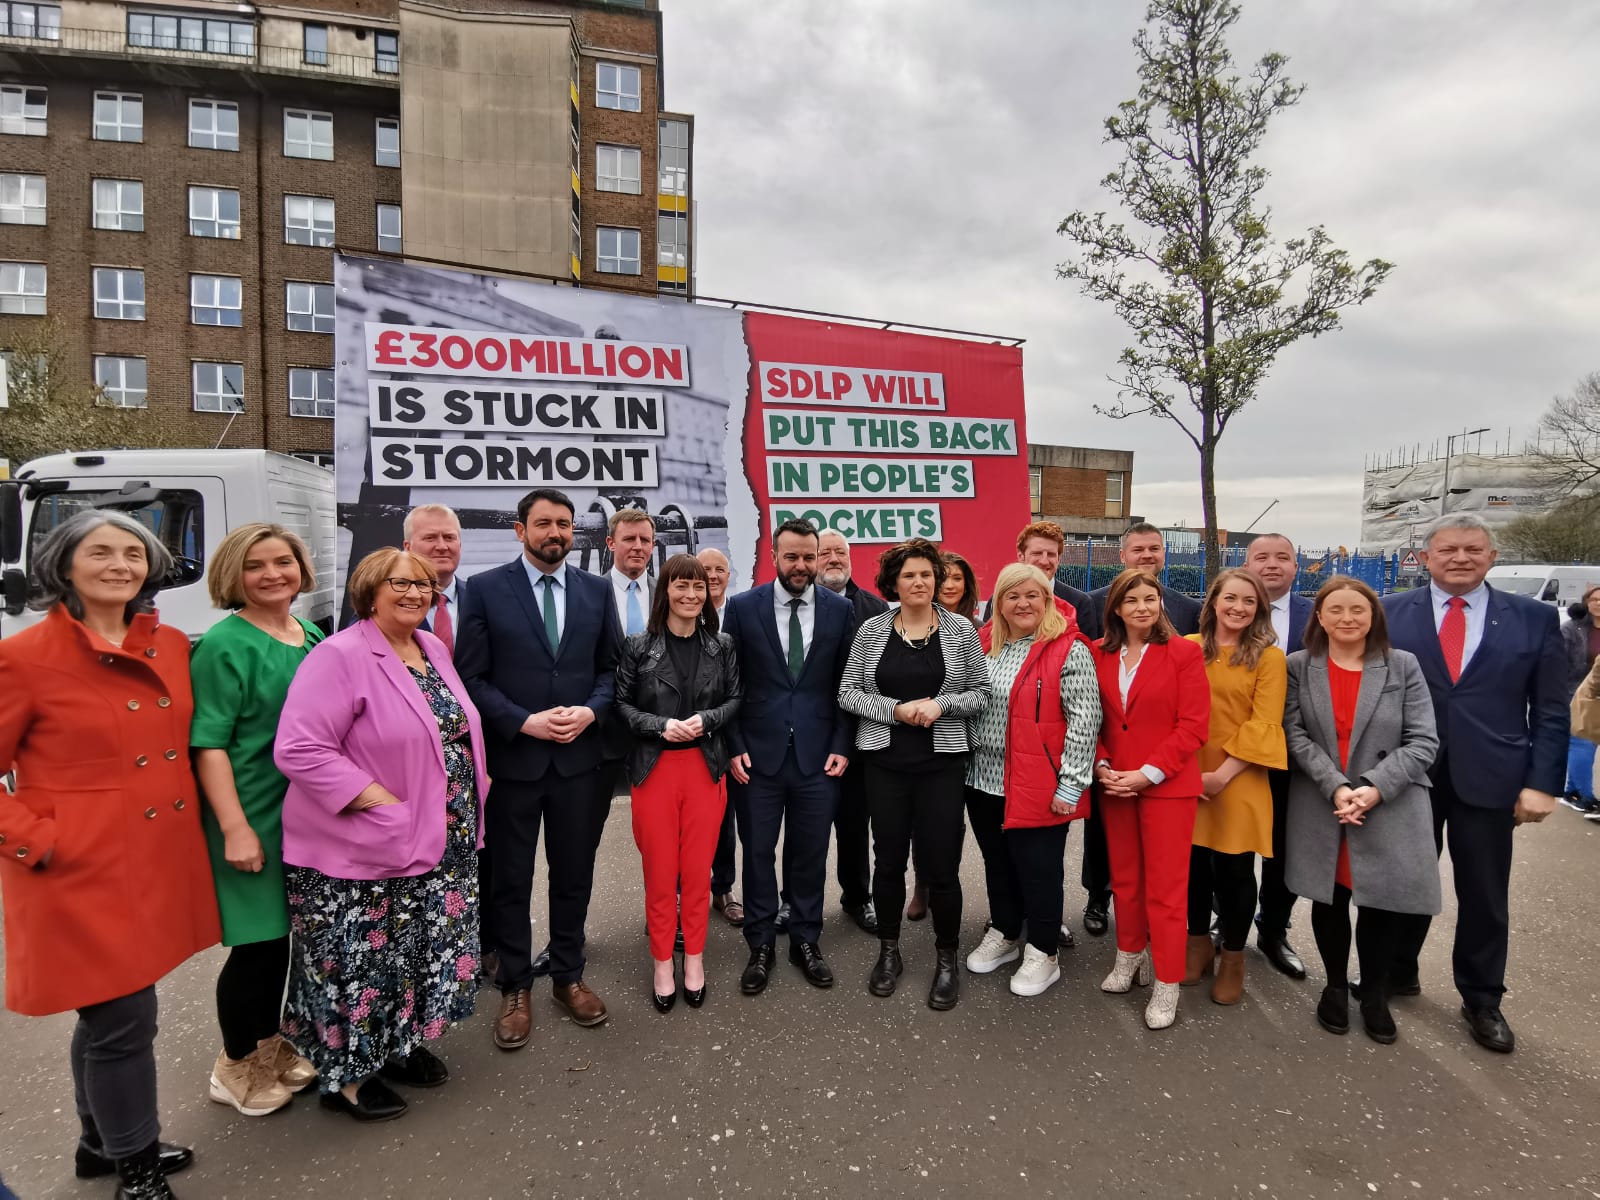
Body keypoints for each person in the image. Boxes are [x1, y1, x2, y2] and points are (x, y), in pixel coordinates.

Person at [0, 511, 220, 1199]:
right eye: (100, 552)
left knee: (106, 1011)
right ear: (63, 565)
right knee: (125, 1019)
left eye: (134, 552)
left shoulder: (174, 646)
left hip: (154, 858)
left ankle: (98, 1141)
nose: (120, 565)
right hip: (77, 870)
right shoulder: (25, 657)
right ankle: (138, 1167)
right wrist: (39, 839)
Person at [275, 548, 488, 1122]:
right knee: (358, 965)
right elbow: (299, 749)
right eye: (402, 583)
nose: (417, 593)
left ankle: (398, 1044)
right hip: (364, 845)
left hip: (443, 838)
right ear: (370, 590)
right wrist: (379, 801)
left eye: (425, 584)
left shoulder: (432, 648)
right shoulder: (339, 654)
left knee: (413, 952)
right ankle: (347, 1078)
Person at [1381, 514, 1566, 1054]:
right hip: (1410, 774)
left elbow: (1551, 710)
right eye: (1448, 550)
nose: (1460, 558)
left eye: (1472, 549)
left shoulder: (1533, 619)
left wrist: (1541, 783)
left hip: (1493, 777)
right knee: (1406, 880)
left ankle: (1483, 997)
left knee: (1485, 893)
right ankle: (1397, 971)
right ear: (1425, 558)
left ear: (1492, 556)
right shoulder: (1390, 614)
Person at [456, 488, 622, 1045]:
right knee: (510, 880)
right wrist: (521, 722)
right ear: (520, 530)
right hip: (515, 763)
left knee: (573, 876)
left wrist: (592, 711)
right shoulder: (483, 590)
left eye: (565, 525)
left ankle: (569, 977)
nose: (556, 533)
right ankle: (515, 985)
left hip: (579, 763)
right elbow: (470, 679)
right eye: (545, 523)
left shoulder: (597, 592)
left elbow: (611, 671)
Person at [190, 524, 324, 1118]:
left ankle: (270, 1047)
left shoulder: (308, 631)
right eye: (256, 565)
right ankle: (235, 1063)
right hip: (252, 809)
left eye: (283, 562)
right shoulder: (224, 644)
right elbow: (210, 743)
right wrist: (234, 828)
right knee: (259, 944)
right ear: (232, 575)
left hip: (307, 812)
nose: (272, 574)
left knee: (289, 939)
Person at [1284, 577, 1441, 1044]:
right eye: (1335, 610)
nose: (1347, 618)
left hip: (1388, 803)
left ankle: (1373, 993)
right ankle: (1333, 985)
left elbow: (1424, 740)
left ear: (1374, 617)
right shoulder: (1299, 667)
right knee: (1329, 898)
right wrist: (1336, 786)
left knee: (1381, 904)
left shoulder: (1402, 666)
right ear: (1319, 617)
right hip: (1322, 801)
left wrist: (1373, 787)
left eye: (1358, 610)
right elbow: (1294, 735)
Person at [836, 538, 991, 1009]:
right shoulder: (872, 631)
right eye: (909, 575)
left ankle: (946, 958)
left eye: (927, 574)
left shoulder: (962, 630)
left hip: (941, 766)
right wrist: (896, 710)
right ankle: (889, 950)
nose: (919, 582)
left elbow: (981, 693)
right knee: (887, 863)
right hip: (885, 765)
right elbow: (848, 693)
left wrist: (940, 704)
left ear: (937, 582)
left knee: (942, 866)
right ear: (894, 583)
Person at [721, 518, 855, 995]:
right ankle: (760, 945)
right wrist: (733, 746)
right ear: (774, 557)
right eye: (791, 556)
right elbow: (728, 686)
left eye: (808, 556)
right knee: (757, 854)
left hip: (820, 759)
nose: (801, 565)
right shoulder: (741, 608)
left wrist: (842, 746)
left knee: (809, 855)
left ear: (819, 557)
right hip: (757, 760)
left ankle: (805, 939)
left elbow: (848, 685)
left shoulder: (840, 611)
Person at [963, 564, 1100, 997]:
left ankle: (1043, 950)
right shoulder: (985, 643)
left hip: (1037, 781)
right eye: (1012, 596)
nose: (1022, 604)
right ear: (998, 603)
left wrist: (1070, 785)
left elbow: (1085, 720)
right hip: (982, 779)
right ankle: (1005, 931)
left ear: (1047, 600)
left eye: (1032, 595)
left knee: (1039, 870)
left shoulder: (1068, 647)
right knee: (997, 863)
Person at [613, 554, 742, 1012]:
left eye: (699, 587)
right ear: (664, 590)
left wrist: (706, 720)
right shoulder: (638, 646)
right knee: (661, 872)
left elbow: (733, 700)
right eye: (681, 585)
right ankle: (663, 960)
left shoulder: (721, 645)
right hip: (655, 769)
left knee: (698, 872)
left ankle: (696, 960)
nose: (691, 595)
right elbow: (622, 706)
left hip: (705, 769)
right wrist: (660, 726)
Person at [1090, 568, 1210, 1030]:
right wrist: (1102, 766)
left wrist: (1147, 774)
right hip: (1115, 783)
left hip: (1166, 786)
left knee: (1165, 888)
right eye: (1132, 600)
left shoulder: (1182, 653)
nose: (1143, 606)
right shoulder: (1100, 655)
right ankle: (1129, 955)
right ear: (1116, 608)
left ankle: (1166, 980)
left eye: (1150, 598)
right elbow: (1091, 719)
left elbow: (1193, 725)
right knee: (1125, 879)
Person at [1077, 523, 1202, 938]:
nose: (1147, 554)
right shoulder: (1093, 606)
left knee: (1163, 872)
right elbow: (1089, 698)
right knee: (1106, 841)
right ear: (1122, 554)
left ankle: (1156, 947)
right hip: (1112, 761)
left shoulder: (1188, 610)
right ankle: (1099, 895)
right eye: (1138, 549)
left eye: (1154, 548)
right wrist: (1102, 761)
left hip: (1162, 762)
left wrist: (1152, 770)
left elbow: (1191, 714)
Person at [1182, 568, 1286, 1006]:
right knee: (1191, 868)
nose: (1239, 608)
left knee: (1235, 873)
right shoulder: (1188, 648)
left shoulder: (1268, 657)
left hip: (1239, 776)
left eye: (1249, 601)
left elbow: (1265, 723)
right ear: (1214, 602)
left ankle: (1233, 956)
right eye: (1231, 599)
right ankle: (1196, 943)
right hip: (1188, 772)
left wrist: (1221, 776)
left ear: (1259, 609)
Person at [404, 503, 496, 980]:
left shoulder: (481, 595)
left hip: (480, 756)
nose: (442, 546)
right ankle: (428, 958)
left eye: (450, 538)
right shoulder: (389, 606)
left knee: (487, 855)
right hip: (416, 765)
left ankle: (486, 946)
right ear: (408, 547)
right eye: (430, 538)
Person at [1244, 532, 1316, 980]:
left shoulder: (1319, 616)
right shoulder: (1220, 609)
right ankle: (1223, 920)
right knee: (1226, 846)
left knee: (1284, 849)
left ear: (1297, 565)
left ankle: (1273, 929)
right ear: (1247, 563)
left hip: (1296, 754)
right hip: (1234, 753)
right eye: (1262, 557)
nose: (1272, 565)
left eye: (1283, 558)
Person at [817, 528, 889, 935]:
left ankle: (857, 898)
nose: (832, 559)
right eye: (824, 552)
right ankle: (796, 900)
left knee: (855, 825)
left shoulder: (876, 609)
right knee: (805, 827)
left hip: (862, 740)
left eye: (839, 552)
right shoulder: (797, 605)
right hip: (810, 735)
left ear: (850, 557)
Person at [697, 546, 744, 925]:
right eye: (704, 569)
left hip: (734, 730)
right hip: (689, 731)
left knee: (725, 818)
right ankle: (679, 893)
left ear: (730, 575)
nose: (712, 575)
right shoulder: (678, 613)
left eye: (719, 569)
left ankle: (723, 887)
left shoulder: (742, 613)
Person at [1559, 586, 1600, 813]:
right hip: (1576, 695)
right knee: (1582, 744)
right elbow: (1558, 662)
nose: (1598, 603)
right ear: (1586, 603)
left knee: (1589, 744)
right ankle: (1586, 797)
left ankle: (1570, 791)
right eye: (1594, 599)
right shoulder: (1572, 629)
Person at [938, 550, 981, 624]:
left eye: (957, 578)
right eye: (943, 578)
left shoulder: (980, 629)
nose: (949, 586)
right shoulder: (917, 627)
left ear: (966, 585)